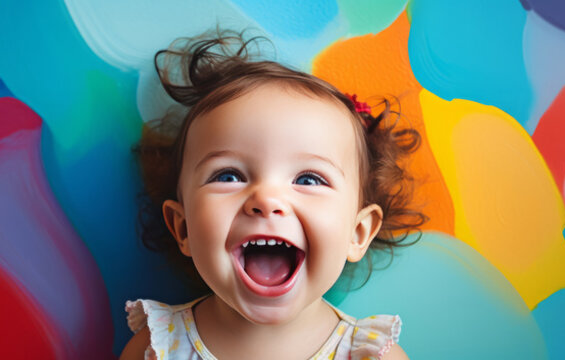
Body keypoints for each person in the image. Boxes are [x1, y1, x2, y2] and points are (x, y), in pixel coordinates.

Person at [122, 30, 425, 360]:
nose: (266, 199)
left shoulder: (371, 356)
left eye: (309, 179)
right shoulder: (156, 348)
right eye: (229, 176)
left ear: (358, 232)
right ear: (183, 228)